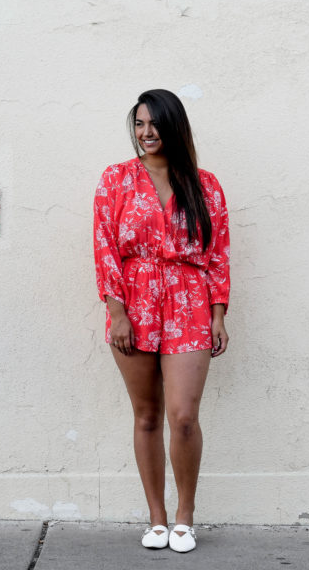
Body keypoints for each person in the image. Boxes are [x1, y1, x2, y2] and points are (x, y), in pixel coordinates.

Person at [93, 89, 230, 553]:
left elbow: (218, 255)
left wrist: (217, 314)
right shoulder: (116, 179)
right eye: (139, 124)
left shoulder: (205, 185)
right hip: (134, 303)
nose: (146, 133)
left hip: (190, 302)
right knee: (147, 416)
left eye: (154, 124)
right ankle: (156, 518)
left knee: (184, 416)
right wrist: (117, 313)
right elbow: (105, 246)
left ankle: (185, 518)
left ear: (174, 126)